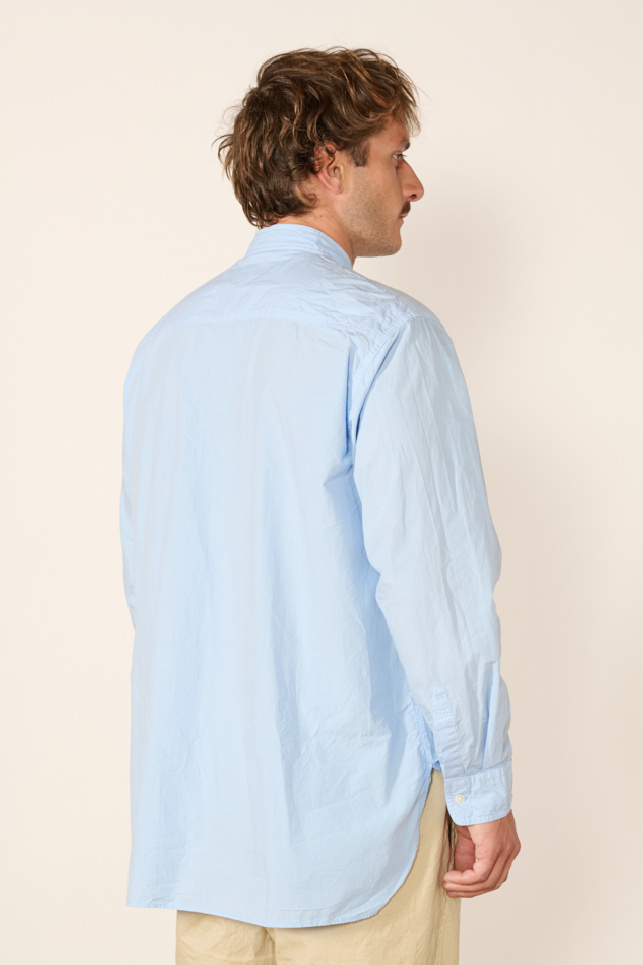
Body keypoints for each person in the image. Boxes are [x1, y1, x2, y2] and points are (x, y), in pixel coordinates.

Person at [119, 46, 520, 965]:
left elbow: (152, 583)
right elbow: (434, 586)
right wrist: (481, 787)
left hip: (208, 824)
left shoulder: (167, 344)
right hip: (356, 817)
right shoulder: (387, 335)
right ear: (327, 165)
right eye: (395, 154)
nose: (413, 183)